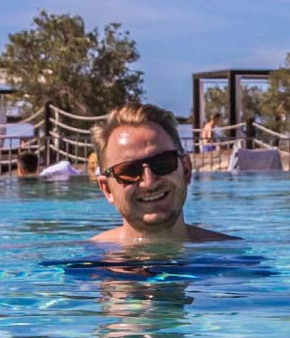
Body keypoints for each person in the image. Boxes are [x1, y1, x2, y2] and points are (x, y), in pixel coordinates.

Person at [91, 102, 239, 244]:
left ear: (186, 170)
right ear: (107, 189)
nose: (149, 182)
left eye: (162, 163)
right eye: (129, 170)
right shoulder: (85, 263)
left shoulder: (235, 259)